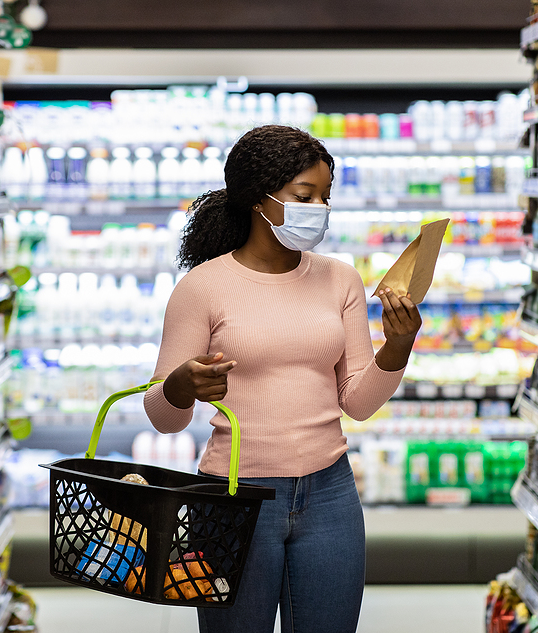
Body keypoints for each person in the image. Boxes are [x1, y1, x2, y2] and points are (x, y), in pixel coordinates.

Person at [144, 125, 421, 633]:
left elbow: (355, 402)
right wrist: (181, 387)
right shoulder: (202, 287)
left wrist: (397, 348)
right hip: (232, 496)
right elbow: (163, 417)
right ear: (258, 199)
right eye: (304, 195)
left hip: (331, 494)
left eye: (325, 196)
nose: (319, 208)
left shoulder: (341, 279)